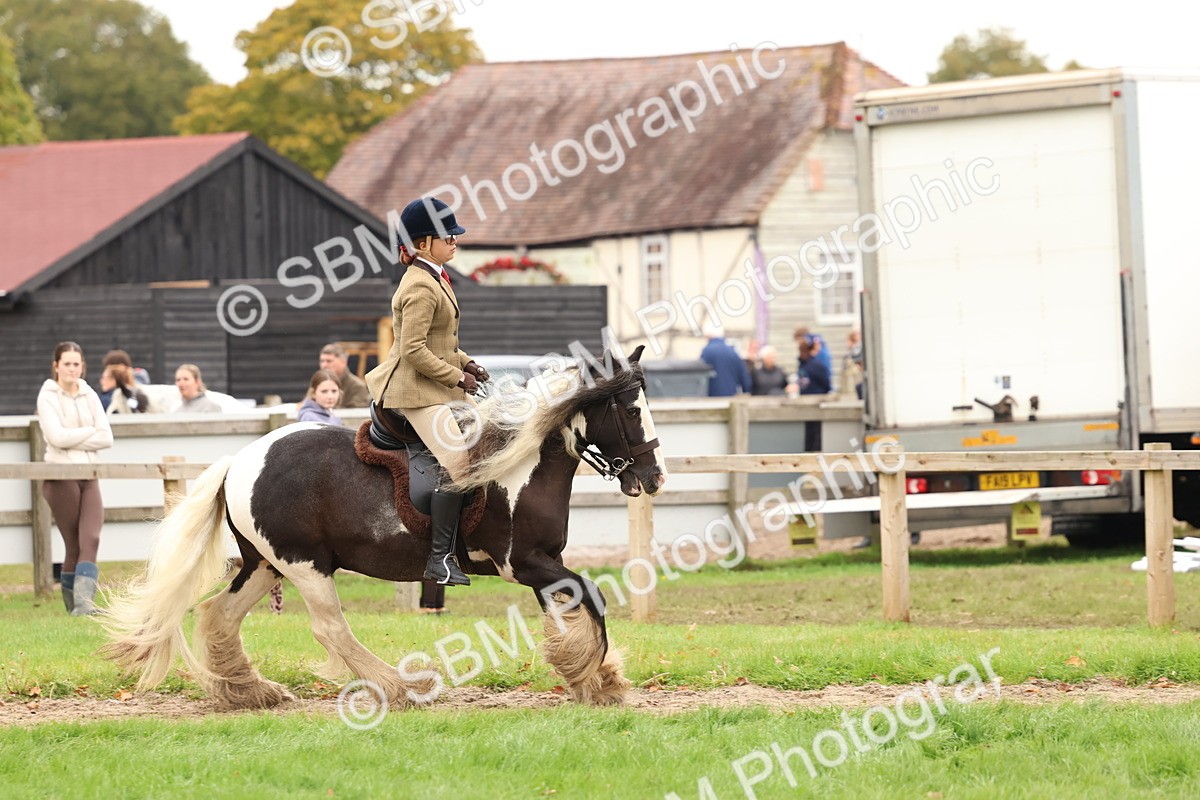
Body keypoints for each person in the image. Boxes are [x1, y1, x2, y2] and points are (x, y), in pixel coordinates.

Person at [366, 196, 490, 587]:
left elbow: (442, 343)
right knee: (458, 466)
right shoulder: (420, 285)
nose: (454, 241)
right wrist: (457, 379)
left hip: (435, 386)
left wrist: (466, 362)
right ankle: (440, 560)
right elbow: (414, 350)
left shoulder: (435, 276)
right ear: (422, 244)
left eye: (454, 235)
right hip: (415, 392)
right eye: (447, 236)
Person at [36, 342, 114, 615]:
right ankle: (79, 607)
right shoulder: (47, 397)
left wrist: (75, 436)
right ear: (56, 365)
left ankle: (83, 606)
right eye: (66, 363)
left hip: (89, 475)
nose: (72, 369)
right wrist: (88, 430)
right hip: (60, 475)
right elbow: (55, 438)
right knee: (74, 544)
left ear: (83, 366)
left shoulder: (89, 393)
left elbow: (106, 437)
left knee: (91, 538)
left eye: (76, 364)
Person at [700, 324, 752, 397]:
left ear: (708, 336)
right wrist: (747, 391)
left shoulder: (707, 352)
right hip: (731, 397)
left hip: (712, 398)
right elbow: (744, 377)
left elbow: (701, 378)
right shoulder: (733, 352)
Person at [318, 343, 372, 409]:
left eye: (329, 361)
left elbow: (356, 414)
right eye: (322, 361)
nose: (324, 365)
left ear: (343, 362)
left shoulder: (357, 386)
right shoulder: (318, 382)